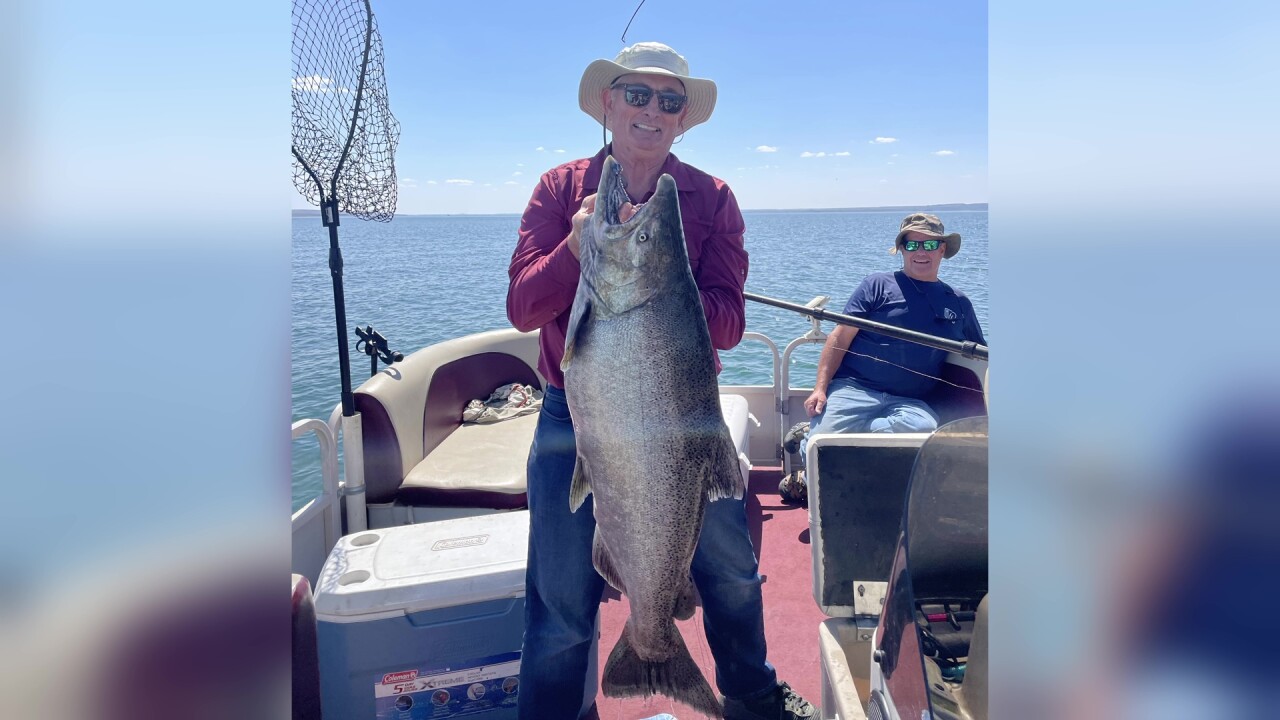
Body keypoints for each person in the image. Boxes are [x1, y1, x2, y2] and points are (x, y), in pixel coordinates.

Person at [507, 41, 815, 720]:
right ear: (608, 104)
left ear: (683, 119)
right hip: (573, 420)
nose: (651, 109)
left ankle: (751, 694)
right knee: (559, 604)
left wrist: (660, 286)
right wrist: (577, 247)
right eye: (637, 95)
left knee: (732, 574)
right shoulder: (560, 191)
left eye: (668, 100)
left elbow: (729, 322)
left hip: (686, 420)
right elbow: (524, 307)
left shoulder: (714, 198)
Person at [787, 213, 987, 499]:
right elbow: (839, 337)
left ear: (942, 250)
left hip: (911, 402)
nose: (920, 252)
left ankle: (826, 439)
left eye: (930, 245)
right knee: (820, 445)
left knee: (924, 429)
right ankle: (809, 463)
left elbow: (981, 354)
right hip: (854, 388)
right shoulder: (876, 285)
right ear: (902, 249)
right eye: (912, 244)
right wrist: (820, 389)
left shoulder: (959, 302)